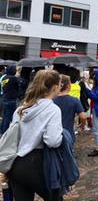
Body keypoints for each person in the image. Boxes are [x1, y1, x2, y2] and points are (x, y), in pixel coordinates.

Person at [7, 70, 63, 200]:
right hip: (36, 163)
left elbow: (12, 135)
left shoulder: (21, 108)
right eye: (60, 84)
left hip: (15, 164)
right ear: (54, 87)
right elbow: (53, 141)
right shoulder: (52, 109)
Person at [53, 75, 87, 143]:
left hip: (54, 134)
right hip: (69, 134)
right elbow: (83, 116)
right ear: (68, 86)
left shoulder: (51, 100)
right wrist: (82, 125)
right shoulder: (74, 100)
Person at [0, 65, 19, 134]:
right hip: (11, 99)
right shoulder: (14, 78)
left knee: (5, 116)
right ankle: (5, 132)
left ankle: (1, 130)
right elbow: (17, 87)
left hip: (4, 98)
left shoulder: (4, 77)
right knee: (9, 117)